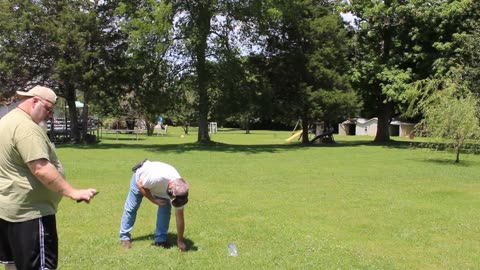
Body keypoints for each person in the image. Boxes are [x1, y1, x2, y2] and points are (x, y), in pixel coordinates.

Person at [0, 85, 97, 270]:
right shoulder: (27, 128)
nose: (50, 115)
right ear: (35, 101)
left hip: (7, 209)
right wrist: (72, 192)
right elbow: (41, 168)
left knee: (12, 265)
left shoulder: (6, 121)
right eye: (49, 109)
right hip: (31, 214)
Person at [119, 160, 189, 252]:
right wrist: (154, 200)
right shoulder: (157, 178)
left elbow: (180, 218)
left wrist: (180, 241)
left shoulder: (180, 192)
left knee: (165, 211)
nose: (172, 199)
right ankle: (124, 237)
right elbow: (140, 185)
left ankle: (160, 240)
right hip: (140, 180)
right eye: (172, 197)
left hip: (160, 188)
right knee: (131, 208)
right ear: (171, 189)